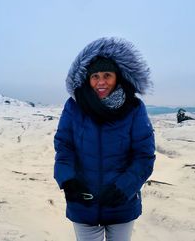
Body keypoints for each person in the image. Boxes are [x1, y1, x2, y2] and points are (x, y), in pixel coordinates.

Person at [54, 37, 156, 241]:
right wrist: (68, 179)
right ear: (87, 79)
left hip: (121, 203)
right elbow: (64, 147)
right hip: (83, 202)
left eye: (107, 75)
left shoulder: (134, 108)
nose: (101, 82)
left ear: (117, 77)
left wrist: (124, 188)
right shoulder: (74, 106)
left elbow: (144, 156)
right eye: (95, 76)